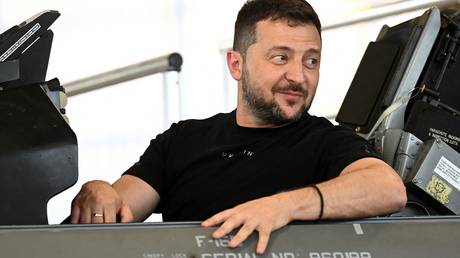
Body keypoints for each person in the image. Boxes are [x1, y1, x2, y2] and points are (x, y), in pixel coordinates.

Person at [71, 0, 407, 254]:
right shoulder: (181, 140)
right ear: (236, 64)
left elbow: (386, 188)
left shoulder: (326, 141)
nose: (299, 76)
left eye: (311, 60)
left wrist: (283, 206)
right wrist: (100, 189)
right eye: (281, 57)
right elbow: (118, 209)